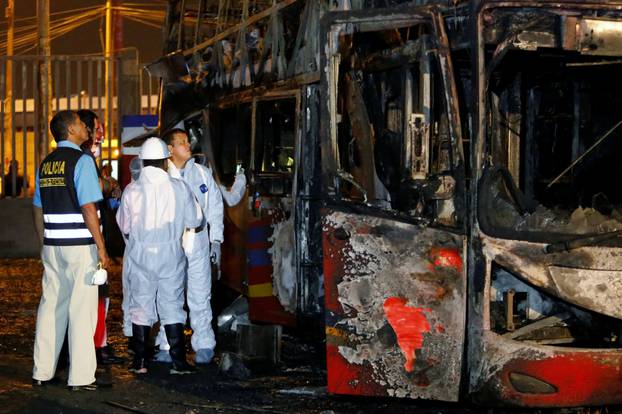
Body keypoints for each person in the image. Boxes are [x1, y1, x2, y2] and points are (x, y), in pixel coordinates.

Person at [32, 110, 110, 391]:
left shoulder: (46, 163)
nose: (85, 128)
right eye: (80, 123)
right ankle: (81, 377)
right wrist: (101, 247)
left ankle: (42, 371)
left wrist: (44, 242)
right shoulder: (81, 160)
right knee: (82, 310)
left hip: (53, 247)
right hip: (80, 248)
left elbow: (38, 207)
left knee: (51, 307)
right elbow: (89, 207)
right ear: (70, 130)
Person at [116, 137, 202, 375]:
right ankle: (179, 362)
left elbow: (124, 225)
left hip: (141, 254)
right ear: (166, 161)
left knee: (140, 305)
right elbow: (195, 220)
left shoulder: (132, 190)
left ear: (142, 162)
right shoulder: (179, 187)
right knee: (173, 305)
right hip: (170, 254)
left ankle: (140, 362)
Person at [153, 128, 224, 366]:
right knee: (170, 295)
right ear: (170, 149)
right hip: (171, 241)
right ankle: (166, 344)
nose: (187, 145)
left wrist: (216, 240)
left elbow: (215, 208)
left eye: (187, 141)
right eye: (181, 142)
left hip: (199, 242)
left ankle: (204, 344)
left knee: (200, 295)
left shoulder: (201, 174)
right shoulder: (160, 177)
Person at [76, 109, 123, 366]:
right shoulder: (83, 159)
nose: (99, 133)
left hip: (67, 242)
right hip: (87, 241)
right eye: (96, 127)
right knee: (97, 294)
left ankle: (93, 345)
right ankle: (96, 348)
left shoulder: (58, 160)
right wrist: (102, 248)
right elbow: (90, 201)